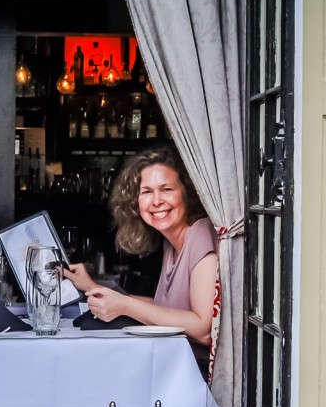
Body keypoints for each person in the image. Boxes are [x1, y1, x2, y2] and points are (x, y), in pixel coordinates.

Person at [62, 146, 219, 376]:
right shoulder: (171, 243)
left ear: (188, 193)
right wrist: (93, 287)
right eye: (146, 191)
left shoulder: (200, 234)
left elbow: (204, 328)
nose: (156, 201)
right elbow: (164, 310)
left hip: (194, 377)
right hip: (172, 367)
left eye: (166, 189)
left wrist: (124, 305)